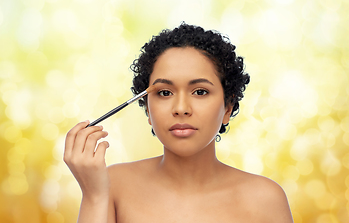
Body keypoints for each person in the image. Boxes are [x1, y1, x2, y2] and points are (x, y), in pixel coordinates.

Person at [64, 23, 294, 223]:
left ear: (228, 107)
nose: (181, 108)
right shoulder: (112, 185)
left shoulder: (265, 199)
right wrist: (94, 196)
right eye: (164, 93)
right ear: (147, 108)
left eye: (200, 91)